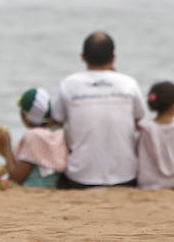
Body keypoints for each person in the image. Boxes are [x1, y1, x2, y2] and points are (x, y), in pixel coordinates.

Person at [52, 31, 145, 188]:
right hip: (125, 176)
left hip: (80, 177)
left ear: (82, 57)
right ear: (113, 58)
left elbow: (56, 121)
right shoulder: (129, 84)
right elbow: (139, 118)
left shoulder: (68, 84)